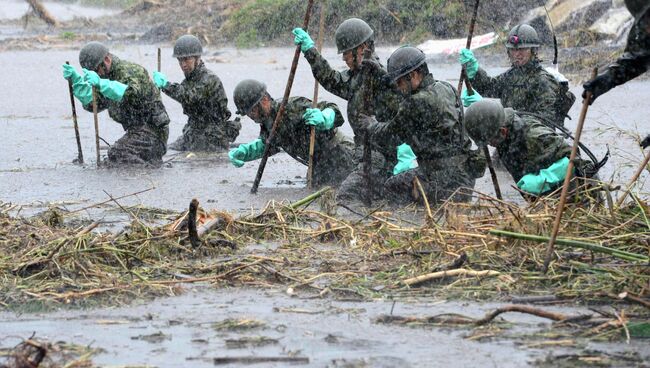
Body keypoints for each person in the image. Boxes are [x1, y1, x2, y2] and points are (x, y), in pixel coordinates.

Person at [292, 18, 415, 202]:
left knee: (346, 196)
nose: (344, 58)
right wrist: (310, 52)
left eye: (347, 53)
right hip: (365, 155)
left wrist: (403, 156)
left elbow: (404, 114)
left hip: (382, 157)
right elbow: (331, 79)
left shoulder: (383, 78)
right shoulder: (356, 78)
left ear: (362, 48)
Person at [366, 46, 485, 205]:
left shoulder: (415, 102)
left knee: (391, 187)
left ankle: (413, 223)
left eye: (400, 82)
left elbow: (389, 135)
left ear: (414, 75)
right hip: (465, 175)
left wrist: (371, 125)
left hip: (444, 179)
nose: (399, 88)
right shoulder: (446, 87)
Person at [227, 79, 355, 186]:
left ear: (265, 99)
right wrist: (245, 152)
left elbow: (333, 109)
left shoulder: (291, 107)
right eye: (248, 113)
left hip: (341, 154)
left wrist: (325, 118)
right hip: (319, 166)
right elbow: (268, 145)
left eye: (252, 110)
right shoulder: (267, 122)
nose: (251, 116)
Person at [464, 99, 598, 199]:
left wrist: (544, 178)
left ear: (503, 131)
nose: (489, 145)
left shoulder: (534, 137)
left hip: (580, 195)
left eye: (490, 141)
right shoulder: (503, 130)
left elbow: (574, 161)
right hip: (550, 197)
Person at [62, 41, 169, 166]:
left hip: (154, 133)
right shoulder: (105, 78)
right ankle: (147, 163)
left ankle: (148, 168)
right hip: (137, 132)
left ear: (107, 60)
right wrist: (78, 84)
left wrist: (103, 85)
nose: (97, 75)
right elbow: (95, 104)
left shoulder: (130, 71)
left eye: (97, 70)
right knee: (115, 155)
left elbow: (132, 94)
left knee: (117, 153)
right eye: (93, 73)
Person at [459, 24, 571, 127]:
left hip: (534, 144)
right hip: (511, 140)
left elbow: (544, 122)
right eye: (513, 49)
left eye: (522, 49)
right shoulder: (511, 76)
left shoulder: (543, 81)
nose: (517, 54)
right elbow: (488, 87)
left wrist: (490, 112)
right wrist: (473, 71)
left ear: (533, 51)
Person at [153, 35, 241, 152]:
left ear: (197, 58)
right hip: (193, 133)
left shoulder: (210, 79)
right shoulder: (187, 82)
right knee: (167, 150)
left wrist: (166, 85)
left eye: (186, 59)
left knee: (197, 161)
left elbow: (190, 97)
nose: (183, 64)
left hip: (212, 137)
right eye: (180, 60)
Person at [583, 0, 650, 147]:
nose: (647, 28)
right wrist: (606, 80)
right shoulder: (644, 33)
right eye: (644, 21)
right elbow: (636, 60)